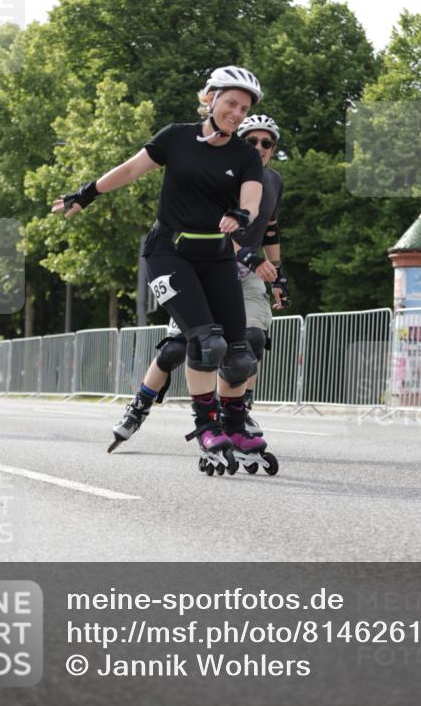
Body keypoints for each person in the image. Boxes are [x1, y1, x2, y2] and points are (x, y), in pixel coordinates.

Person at [53, 65, 278, 474]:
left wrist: (241, 215)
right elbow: (129, 169)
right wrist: (86, 194)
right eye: (230, 103)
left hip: (216, 257)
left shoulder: (245, 155)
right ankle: (206, 426)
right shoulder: (176, 137)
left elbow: (253, 198)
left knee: (240, 354)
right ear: (209, 98)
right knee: (206, 343)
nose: (236, 113)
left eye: (243, 108)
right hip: (169, 254)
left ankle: (234, 423)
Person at [110, 113, 289, 446]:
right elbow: (210, 226)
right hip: (206, 267)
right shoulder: (223, 172)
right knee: (180, 348)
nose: (260, 148)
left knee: (248, 342)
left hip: (246, 274)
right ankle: (139, 406)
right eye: (252, 141)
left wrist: (278, 274)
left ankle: (236, 413)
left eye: (268, 143)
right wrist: (248, 256)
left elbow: (271, 228)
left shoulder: (273, 181)